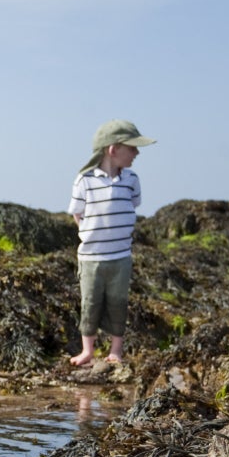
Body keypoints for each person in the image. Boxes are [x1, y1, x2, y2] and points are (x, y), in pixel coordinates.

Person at [67, 119, 155, 366]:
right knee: (90, 302)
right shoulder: (84, 180)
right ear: (113, 149)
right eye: (132, 147)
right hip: (91, 257)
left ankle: (116, 349)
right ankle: (88, 350)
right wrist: (89, 232)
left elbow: (133, 204)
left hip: (121, 256)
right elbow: (77, 212)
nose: (137, 153)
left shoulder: (131, 179)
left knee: (118, 302)